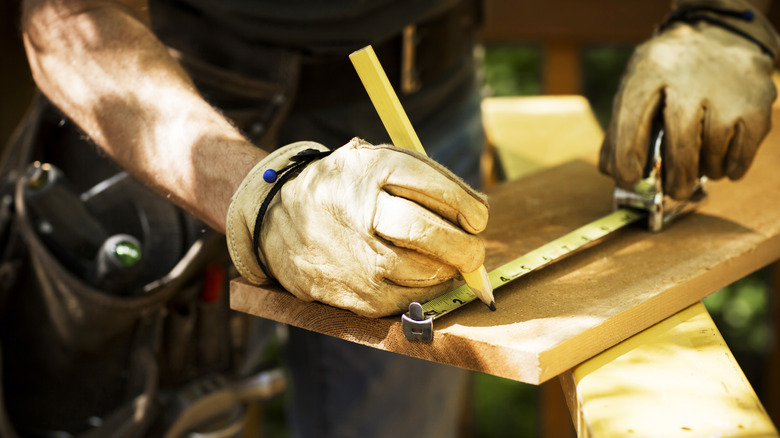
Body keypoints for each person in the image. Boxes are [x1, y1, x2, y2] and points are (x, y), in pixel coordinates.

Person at [0, 0, 777, 437]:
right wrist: (262, 194)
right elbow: (70, 23)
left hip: (427, 95)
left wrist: (724, 14)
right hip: (172, 124)